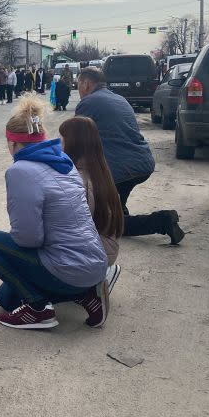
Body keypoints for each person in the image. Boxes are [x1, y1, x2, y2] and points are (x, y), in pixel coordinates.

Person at [0, 97, 109, 329]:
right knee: (5, 298)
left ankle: (38, 309)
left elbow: (29, 239)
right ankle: (85, 295)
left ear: (13, 143)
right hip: (94, 263)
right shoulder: (63, 160)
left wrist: (15, 240)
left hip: (67, 266)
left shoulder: (20, 171)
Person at [74, 67, 185, 244]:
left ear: (86, 84)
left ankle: (162, 221)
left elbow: (76, 140)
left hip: (120, 170)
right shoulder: (119, 98)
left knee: (105, 224)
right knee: (114, 210)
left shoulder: (88, 103)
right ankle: (121, 212)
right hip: (142, 163)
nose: (78, 89)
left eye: (78, 84)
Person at [59, 116, 124, 290]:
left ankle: (93, 283)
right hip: (106, 247)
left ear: (73, 144)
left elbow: (70, 228)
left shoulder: (79, 179)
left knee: (9, 295)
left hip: (94, 255)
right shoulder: (98, 170)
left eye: (62, 141)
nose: (59, 146)